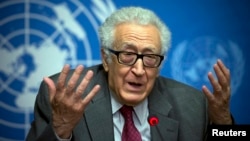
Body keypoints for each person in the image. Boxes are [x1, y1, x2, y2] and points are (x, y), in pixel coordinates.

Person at [26, 6, 233, 141]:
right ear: (106, 59)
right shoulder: (62, 99)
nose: (139, 70)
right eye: (127, 55)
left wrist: (224, 123)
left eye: (150, 57)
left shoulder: (193, 104)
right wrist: (61, 129)